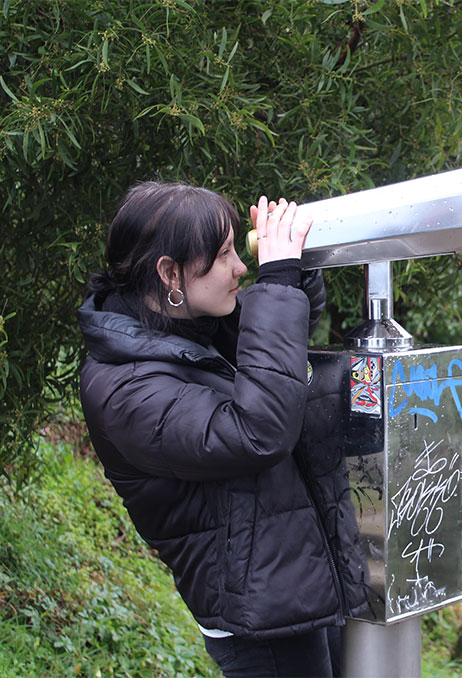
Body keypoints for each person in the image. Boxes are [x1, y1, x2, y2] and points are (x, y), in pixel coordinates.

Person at [78, 182, 369, 677]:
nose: (240, 268)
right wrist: (276, 279)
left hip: (293, 578)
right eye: (223, 256)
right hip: (256, 620)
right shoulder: (125, 389)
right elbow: (259, 429)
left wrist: (297, 268)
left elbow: (275, 345)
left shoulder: (182, 330)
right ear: (169, 272)